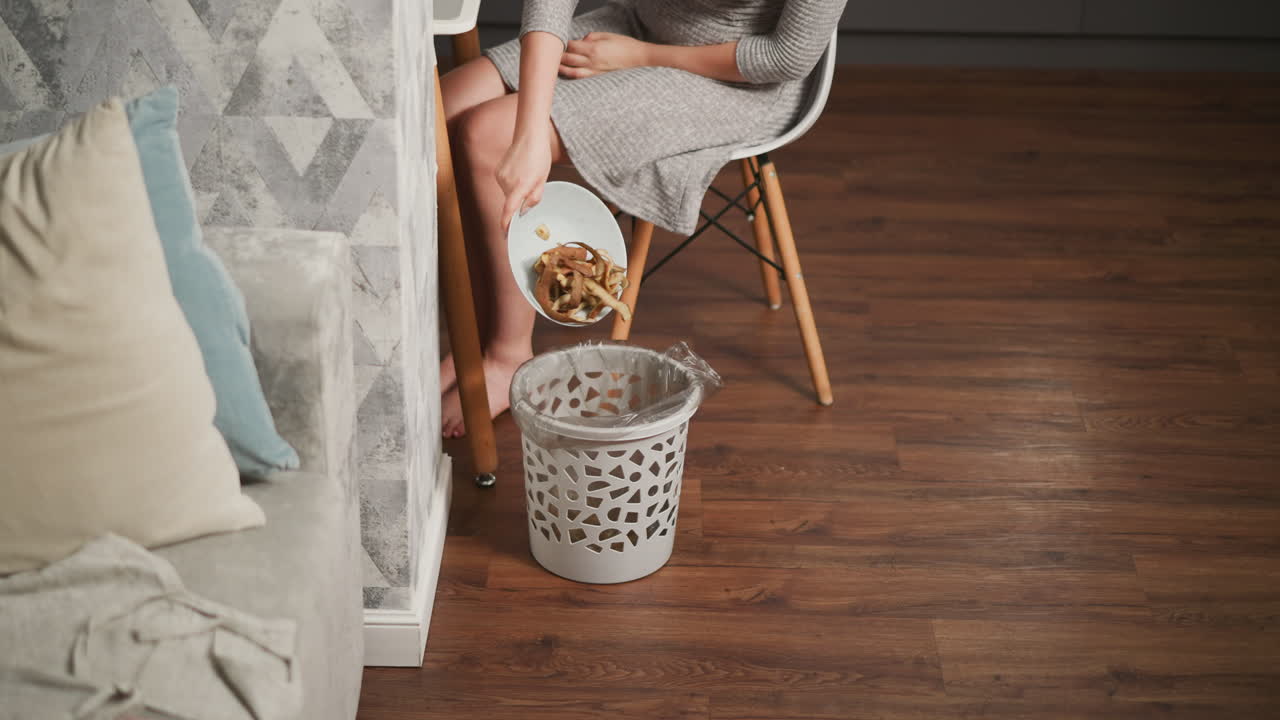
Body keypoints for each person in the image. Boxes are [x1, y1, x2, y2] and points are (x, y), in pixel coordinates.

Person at [439, 0, 846, 437]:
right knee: (435, 114)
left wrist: (642, 56)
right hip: (641, 25)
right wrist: (532, 123)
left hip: (738, 80)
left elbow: (785, 56)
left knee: (485, 135)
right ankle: (475, 332)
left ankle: (507, 353)